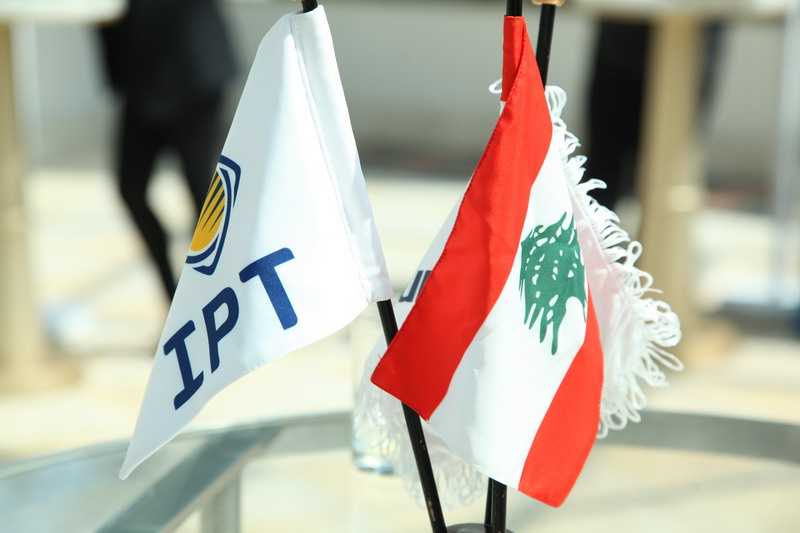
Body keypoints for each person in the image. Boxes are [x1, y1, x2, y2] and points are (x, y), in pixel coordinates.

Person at [97, 0, 237, 298]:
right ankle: (174, 298)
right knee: (131, 188)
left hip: (194, 70)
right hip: (142, 79)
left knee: (202, 192)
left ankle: (210, 294)